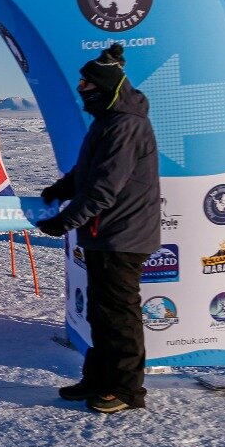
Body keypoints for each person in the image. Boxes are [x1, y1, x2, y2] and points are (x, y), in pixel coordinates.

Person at [34, 44, 160, 414]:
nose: (81, 91)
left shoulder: (126, 125)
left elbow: (106, 186)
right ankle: (97, 379)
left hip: (123, 235)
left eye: (86, 85)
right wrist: (64, 188)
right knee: (101, 314)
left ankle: (125, 389)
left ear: (105, 88)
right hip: (105, 234)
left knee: (119, 315)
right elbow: (89, 173)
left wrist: (66, 220)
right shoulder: (108, 121)